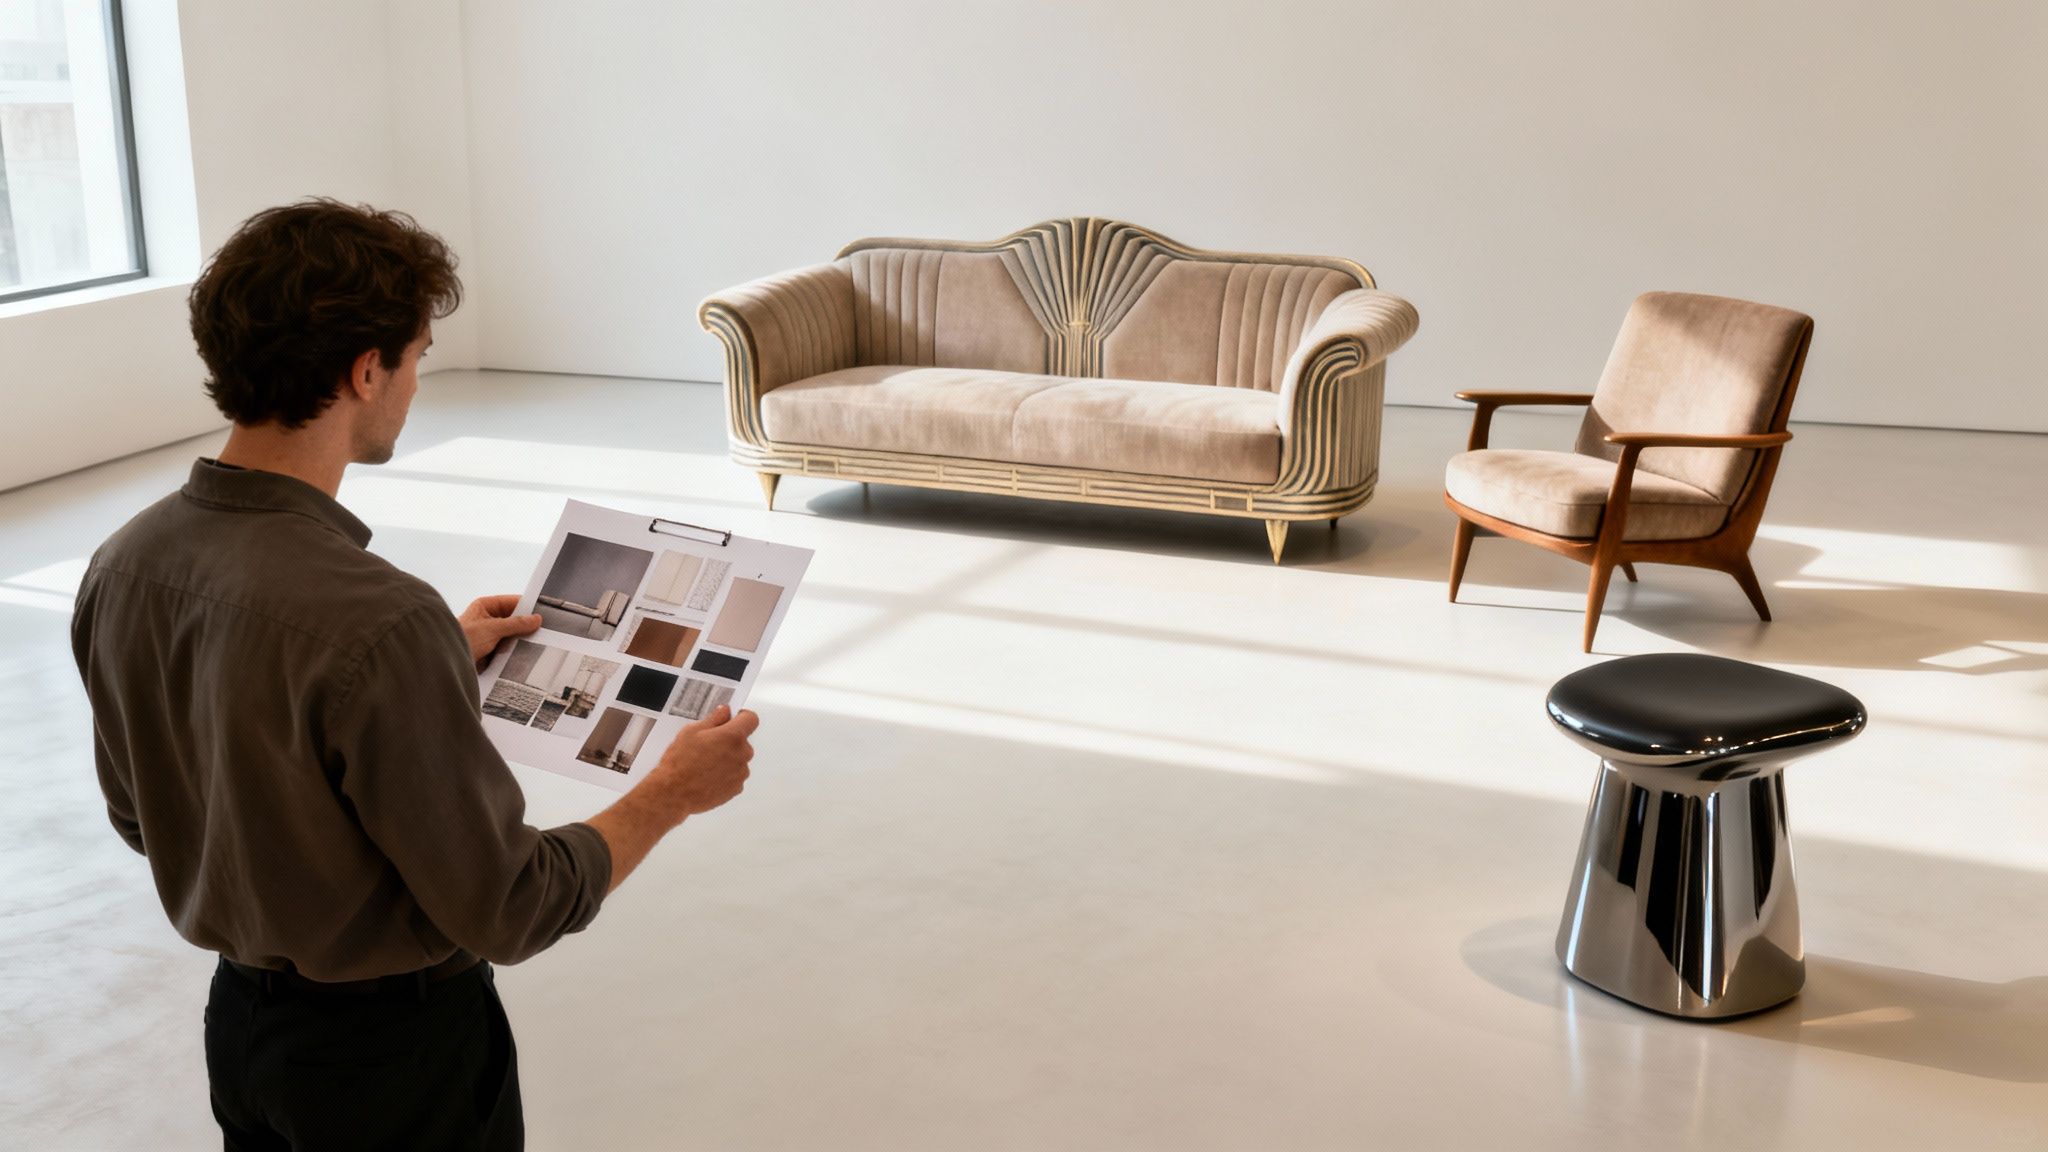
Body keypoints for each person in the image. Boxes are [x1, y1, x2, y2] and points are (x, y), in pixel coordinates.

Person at [69, 199, 758, 1150]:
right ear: (366, 370)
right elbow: (512, 908)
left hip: (241, 1036)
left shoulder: (124, 561)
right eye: (418, 355)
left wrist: (427, 661)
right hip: (395, 1067)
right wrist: (670, 793)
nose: (415, 382)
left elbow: (142, 814)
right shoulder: (376, 622)